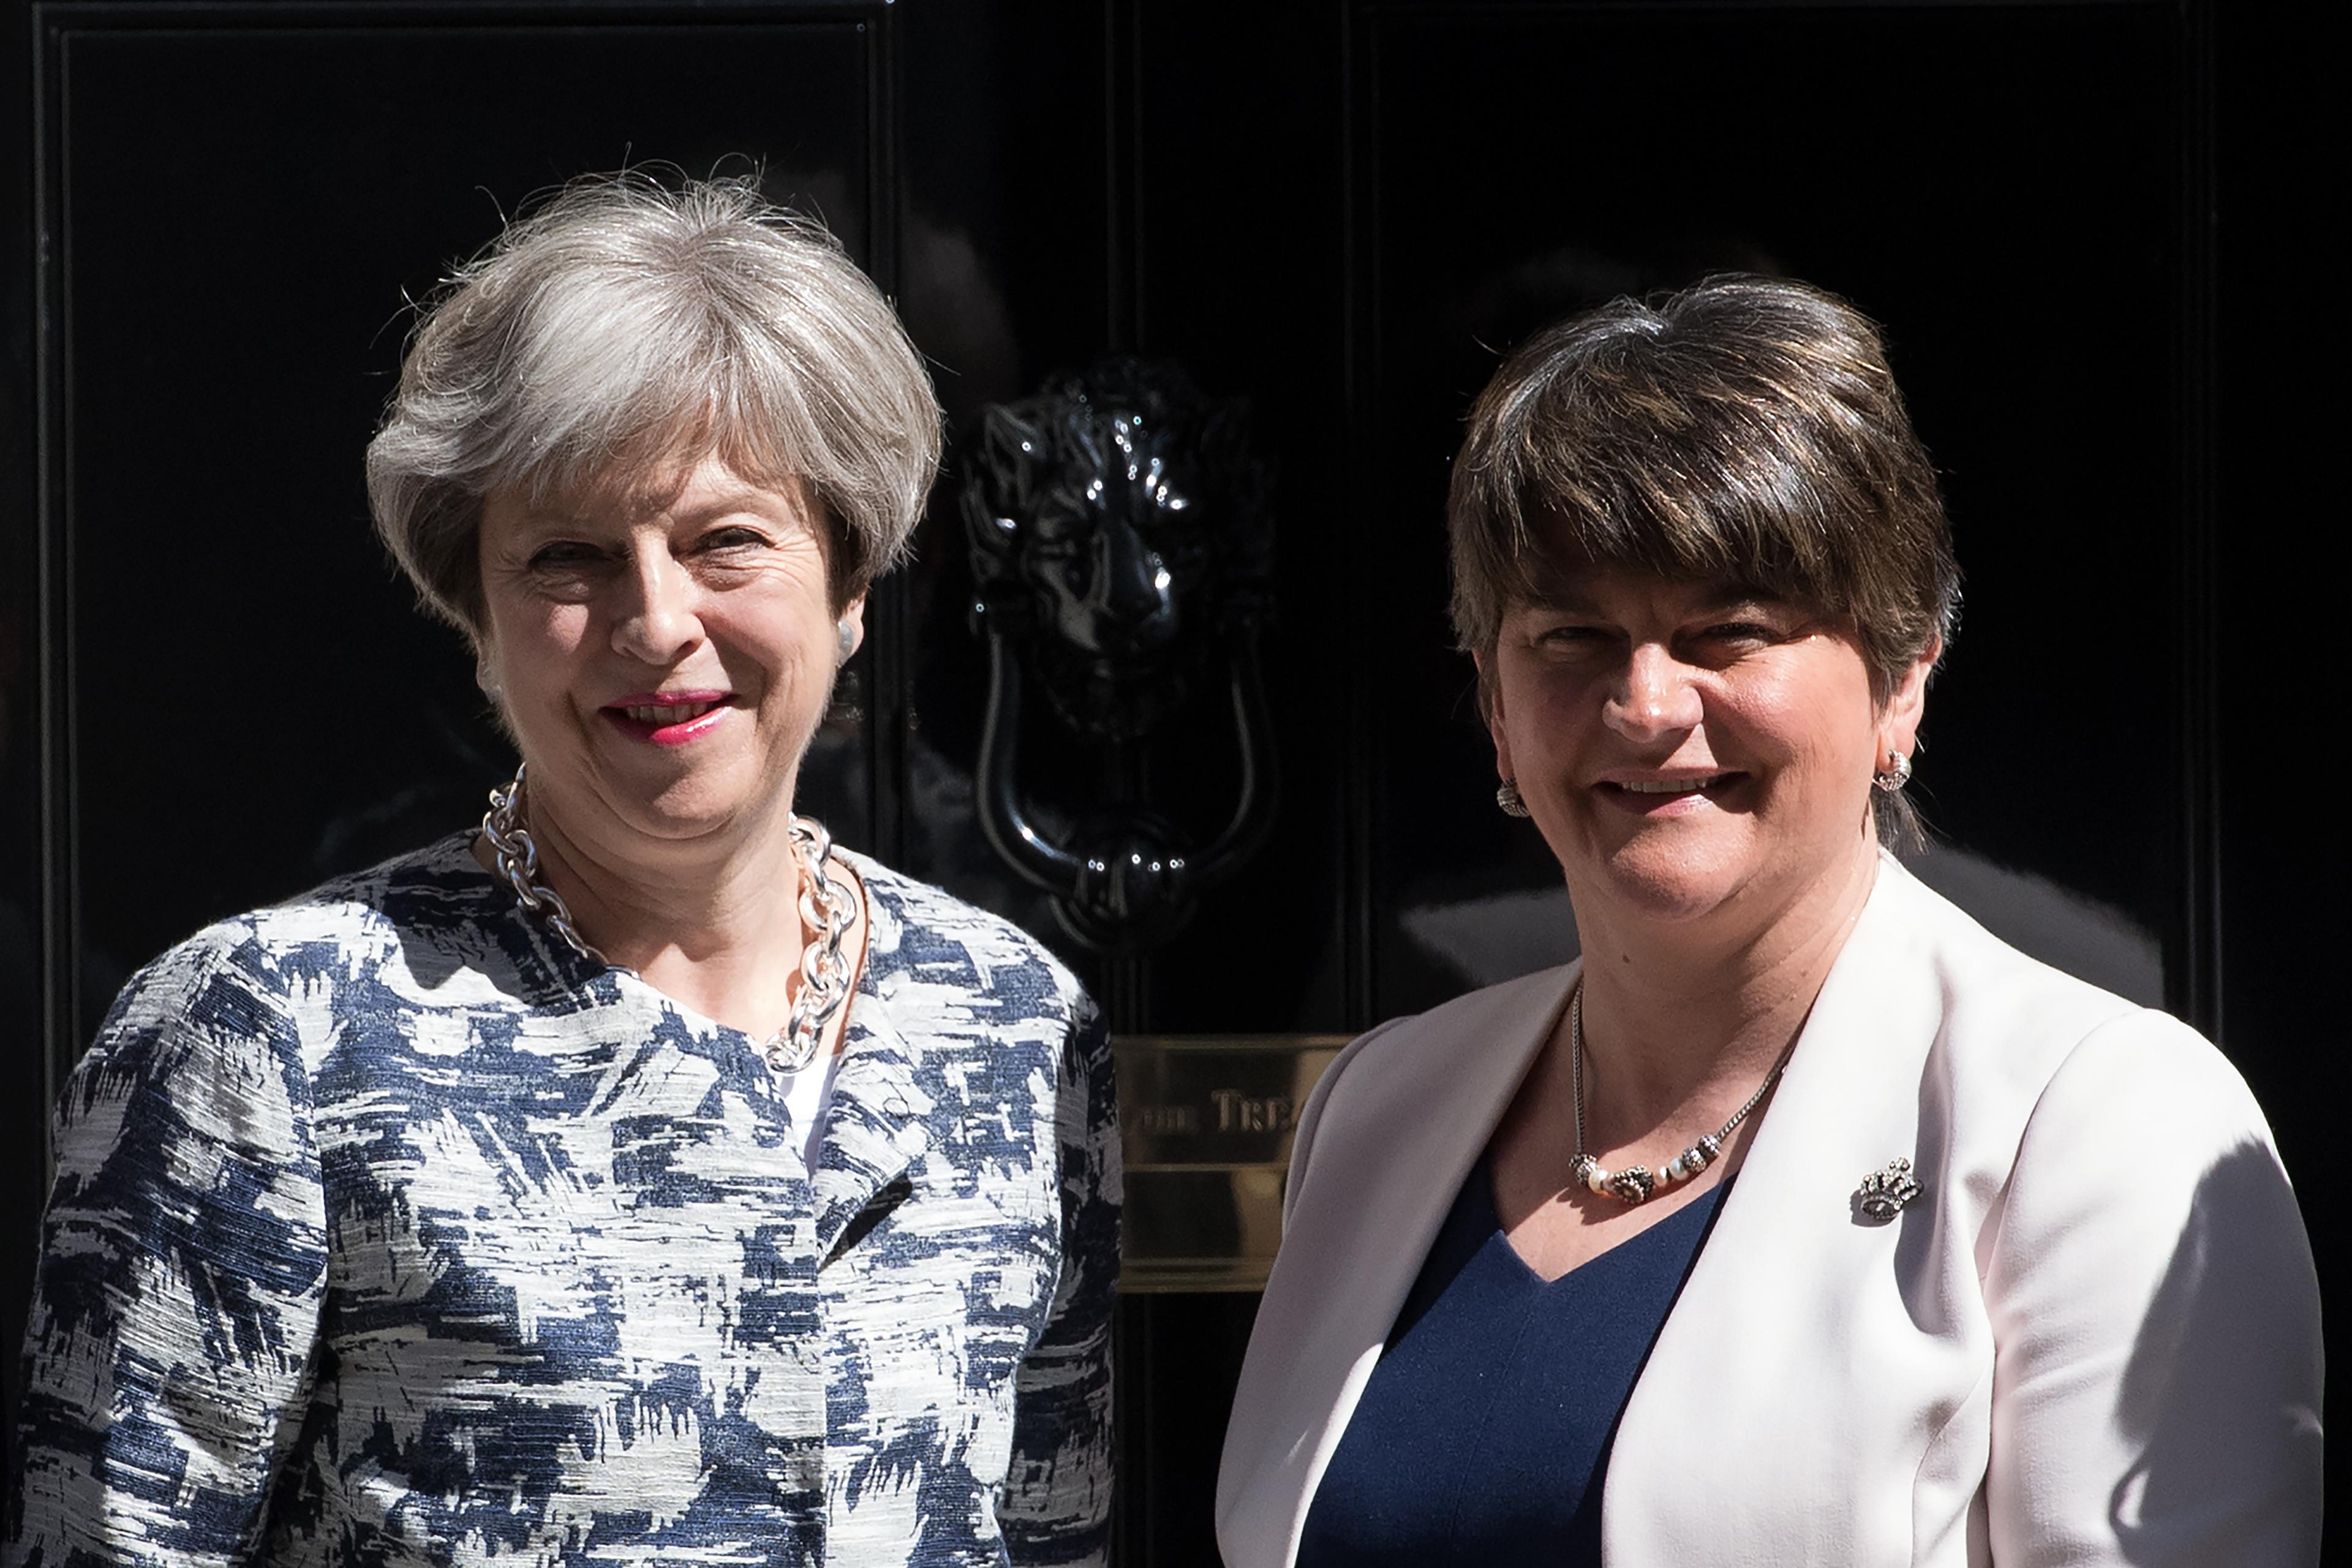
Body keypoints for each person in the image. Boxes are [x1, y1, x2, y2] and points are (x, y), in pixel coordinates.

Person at [7, 174, 1118, 1567]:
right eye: (570, 557)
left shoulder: (1015, 1022)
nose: (656, 622)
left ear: (849, 585)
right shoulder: (267, 1034)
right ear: (474, 615)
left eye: (726, 538)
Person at [1216, 276, 2321, 1566]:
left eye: (1728, 631)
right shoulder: (1376, 1109)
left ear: (1903, 681)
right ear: (1496, 709)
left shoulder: (2099, 1124)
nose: (1645, 702)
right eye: (1573, 635)